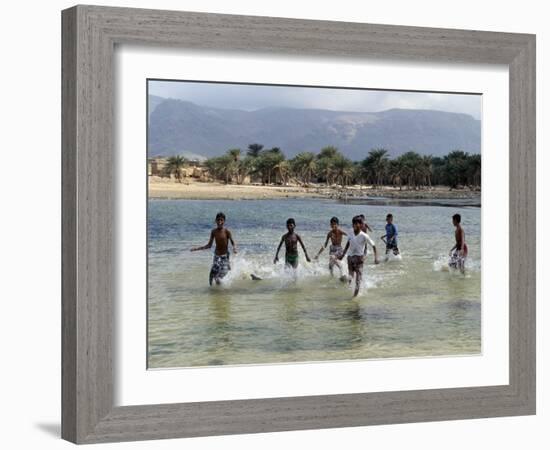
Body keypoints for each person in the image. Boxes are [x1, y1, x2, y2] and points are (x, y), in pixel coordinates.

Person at [190, 212, 237, 285]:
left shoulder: (227, 231)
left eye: (221, 220)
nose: (220, 222)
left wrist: (234, 248)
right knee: (213, 275)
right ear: (215, 221)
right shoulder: (214, 232)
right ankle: (212, 290)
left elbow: (233, 242)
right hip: (217, 256)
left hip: (225, 256)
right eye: (218, 220)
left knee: (221, 276)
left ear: (224, 221)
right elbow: (209, 245)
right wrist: (197, 249)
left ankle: (221, 288)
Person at [340, 215, 379, 296]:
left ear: (361, 225)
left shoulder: (364, 235)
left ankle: (354, 298)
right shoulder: (350, 232)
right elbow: (348, 242)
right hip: (350, 258)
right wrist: (343, 254)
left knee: (358, 280)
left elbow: (374, 246)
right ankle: (349, 288)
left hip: (359, 259)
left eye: (357, 224)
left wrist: (376, 258)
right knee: (350, 276)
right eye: (353, 223)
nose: (354, 225)